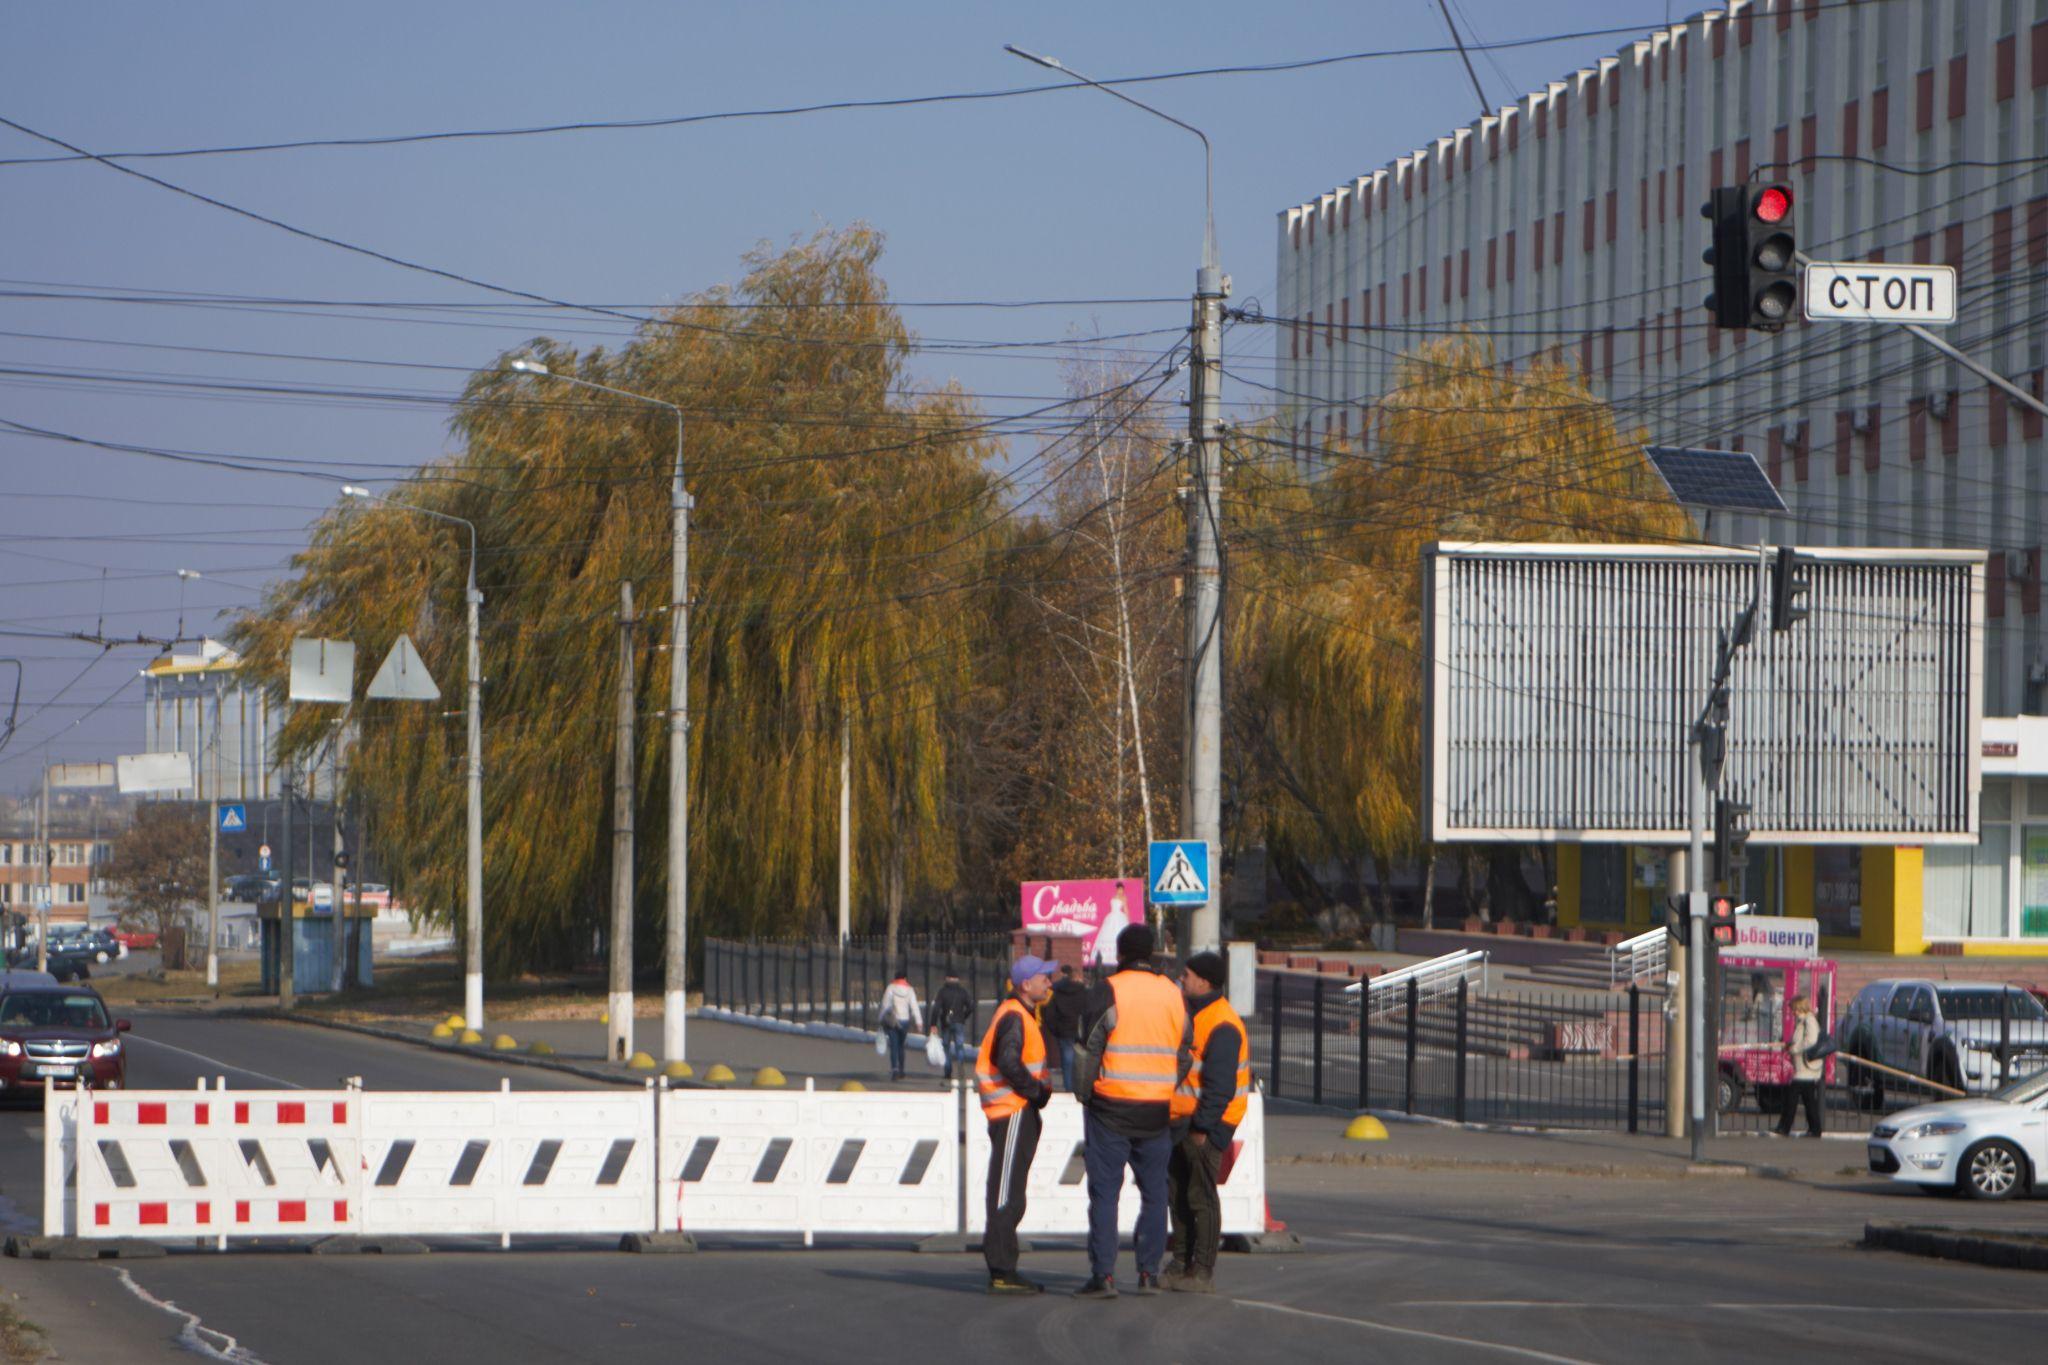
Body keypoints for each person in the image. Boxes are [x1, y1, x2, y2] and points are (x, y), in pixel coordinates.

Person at [1070, 923, 1191, 1299]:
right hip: (1155, 1110)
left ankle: (1104, 1276)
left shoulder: (1109, 990)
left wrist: (1085, 1094)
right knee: (1155, 1193)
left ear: (1120, 954)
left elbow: (1087, 1049)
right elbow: (1184, 1051)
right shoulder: (1173, 993)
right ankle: (1147, 1273)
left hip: (1110, 1107)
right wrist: (1162, 1085)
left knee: (1106, 1194)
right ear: (1153, 953)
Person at [1164, 951, 1249, 1294]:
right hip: (1180, 1121)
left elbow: (1220, 1086)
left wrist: (1203, 1128)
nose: (1182, 979)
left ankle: (1202, 1269)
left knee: (1200, 1197)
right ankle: (1181, 1263)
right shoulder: (1193, 1014)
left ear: (1205, 981)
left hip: (1204, 1126)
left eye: (1187, 974)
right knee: (1179, 1196)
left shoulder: (1222, 1023)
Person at [976, 955, 1058, 1294]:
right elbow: (1007, 1060)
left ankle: (1004, 1266)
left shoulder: (1020, 1014)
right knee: (1006, 1193)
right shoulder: (1014, 1016)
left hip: (1015, 1109)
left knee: (1010, 1191)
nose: (1049, 984)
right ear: (1026, 984)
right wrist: (1035, 1092)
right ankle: (1002, 1268)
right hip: (1012, 1108)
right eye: (1044, 978)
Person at [1777, 994, 1825, 1138]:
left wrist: (1795, 1048)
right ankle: (1815, 1129)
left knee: (1791, 1098)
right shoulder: (1802, 1021)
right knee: (1809, 1100)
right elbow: (1799, 1039)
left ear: (1799, 1007)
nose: (1792, 1012)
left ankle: (1784, 1127)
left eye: (1794, 1009)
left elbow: (1810, 1041)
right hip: (1803, 1068)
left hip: (1806, 1068)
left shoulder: (1809, 1021)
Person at [1045, 963, 1087, 1089]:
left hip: (1064, 1031)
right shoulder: (1085, 993)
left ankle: (1069, 1090)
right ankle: (1081, 1088)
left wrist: (1056, 1030)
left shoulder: (1058, 992)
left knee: (1067, 1062)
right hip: (1081, 1032)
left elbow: (1050, 1014)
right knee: (1082, 1062)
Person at [928, 971, 976, 1083]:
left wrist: (933, 1024)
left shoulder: (942, 992)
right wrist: (964, 1016)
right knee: (959, 1046)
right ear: (957, 979)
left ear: (947, 978)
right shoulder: (962, 992)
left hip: (946, 1023)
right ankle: (960, 1067)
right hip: (959, 1022)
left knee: (946, 1047)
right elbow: (971, 1006)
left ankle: (948, 1071)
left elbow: (936, 1009)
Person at [877, 970, 922, 1082]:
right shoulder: (910, 990)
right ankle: (902, 1069)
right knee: (901, 1045)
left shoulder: (891, 988)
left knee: (894, 1045)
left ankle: (895, 1069)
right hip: (904, 1020)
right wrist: (919, 1022)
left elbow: (885, 1004)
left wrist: (880, 1018)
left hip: (893, 1020)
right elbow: (914, 1006)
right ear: (905, 978)